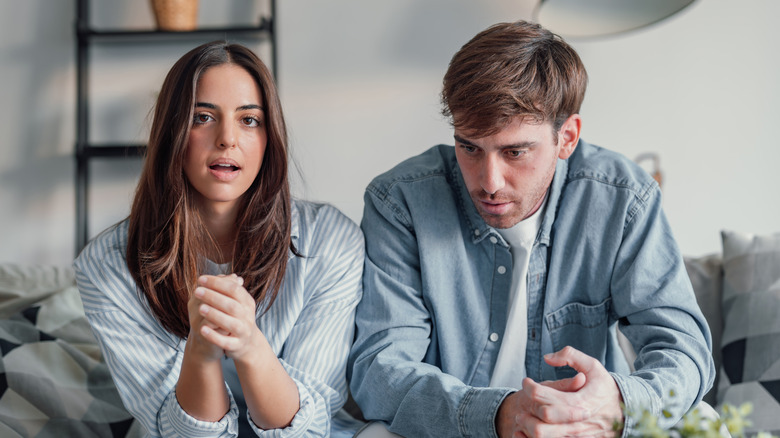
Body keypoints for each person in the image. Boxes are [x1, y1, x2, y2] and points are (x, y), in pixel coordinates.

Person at [348, 20, 715, 438]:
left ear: (567, 137)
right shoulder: (401, 202)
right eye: (469, 147)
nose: (489, 182)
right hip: (451, 430)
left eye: (514, 152)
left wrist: (615, 402)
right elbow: (379, 371)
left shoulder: (620, 199)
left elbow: (683, 350)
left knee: (704, 421)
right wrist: (500, 414)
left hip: (586, 427)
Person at [74, 41, 364, 437]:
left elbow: (308, 430)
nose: (227, 138)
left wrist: (249, 346)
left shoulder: (331, 242)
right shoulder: (106, 266)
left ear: (270, 138)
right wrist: (202, 347)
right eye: (202, 117)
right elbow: (178, 432)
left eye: (249, 120)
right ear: (173, 132)